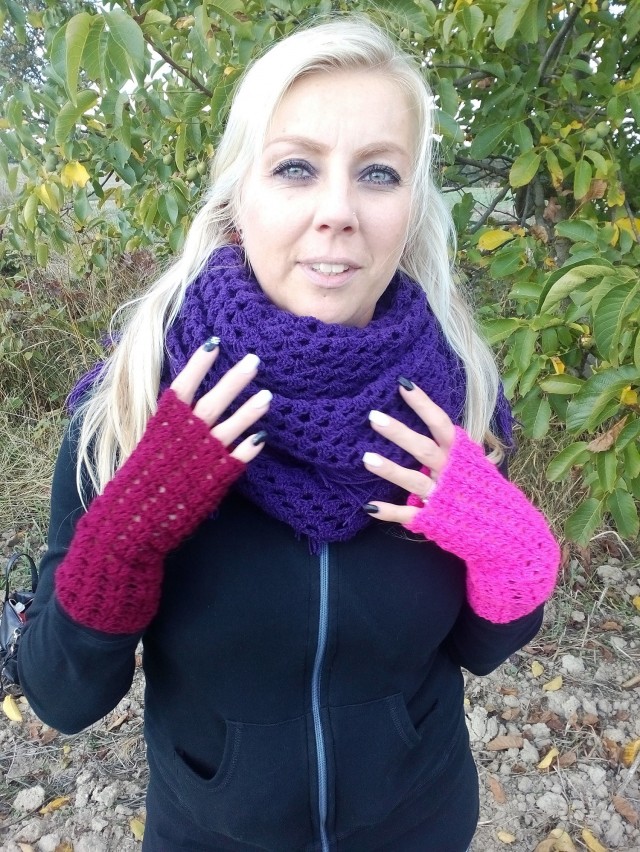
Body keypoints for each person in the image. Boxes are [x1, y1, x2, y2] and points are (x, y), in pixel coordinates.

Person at [18, 15, 560, 852]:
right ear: (239, 195)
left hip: (421, 825)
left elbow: (481, 649)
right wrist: (125, 538)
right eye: (296, 167)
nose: (338, 211)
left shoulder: (453, 402)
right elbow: (62, 697)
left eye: (378, 173)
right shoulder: (131, 405)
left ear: (411, 208)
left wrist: (512, 554)